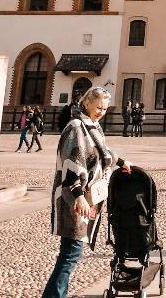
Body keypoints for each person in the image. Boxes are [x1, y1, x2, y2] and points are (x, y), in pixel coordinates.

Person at [41, 85, 131, 298]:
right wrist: (79, 195)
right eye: (98, 106)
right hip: (74, 198)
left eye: (105, 109)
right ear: (87, 102)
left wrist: (122, 161)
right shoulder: (76, 127)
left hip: (86, 199)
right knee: (71, 254)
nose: (101, 112)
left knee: (70, 253)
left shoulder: (92, 126)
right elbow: (72, 163)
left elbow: (102, 151)